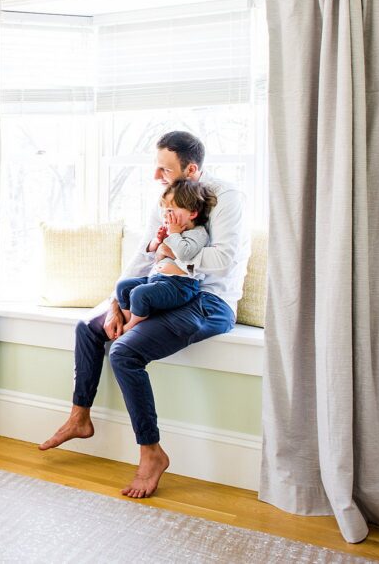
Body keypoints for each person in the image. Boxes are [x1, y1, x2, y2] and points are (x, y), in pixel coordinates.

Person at [39, 131, 249, 500]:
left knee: (124, 352)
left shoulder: (227, 198)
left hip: (210, 301)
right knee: (88, 328)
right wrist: (116, 304)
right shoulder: (168, 196)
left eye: (164, 169)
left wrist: (172, 249)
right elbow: (142, 255)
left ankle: (151, 453)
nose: (156, 176)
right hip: (166, 290)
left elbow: (223, 259)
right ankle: (79, 417)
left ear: (192, 169)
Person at [115, 178, 217, 334]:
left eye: (171, 211)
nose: (166, 216)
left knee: (139, 293)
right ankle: (130, 318)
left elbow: (184, 253)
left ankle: (133, 324)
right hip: (158, 279)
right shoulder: (173, 234)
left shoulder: (198, 233)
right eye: (164, 211)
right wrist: (157, 240)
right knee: (123, 286)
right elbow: (153, 251)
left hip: (180, 286)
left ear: (193, 213)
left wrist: (174, 233)